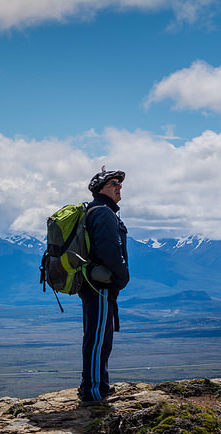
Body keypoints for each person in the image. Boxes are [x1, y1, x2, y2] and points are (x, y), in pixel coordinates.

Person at [78, 167, 129, 407]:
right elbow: (110, 251)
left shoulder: (99, 212)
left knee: (97, 337)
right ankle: (94, 392)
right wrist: (122, 277)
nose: (119, 186)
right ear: (100, 189)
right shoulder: (103, 213)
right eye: (113, 183)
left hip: (94, 285)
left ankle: (95, 386)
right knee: (98, 339)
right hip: (99, 286)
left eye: (119, 183)